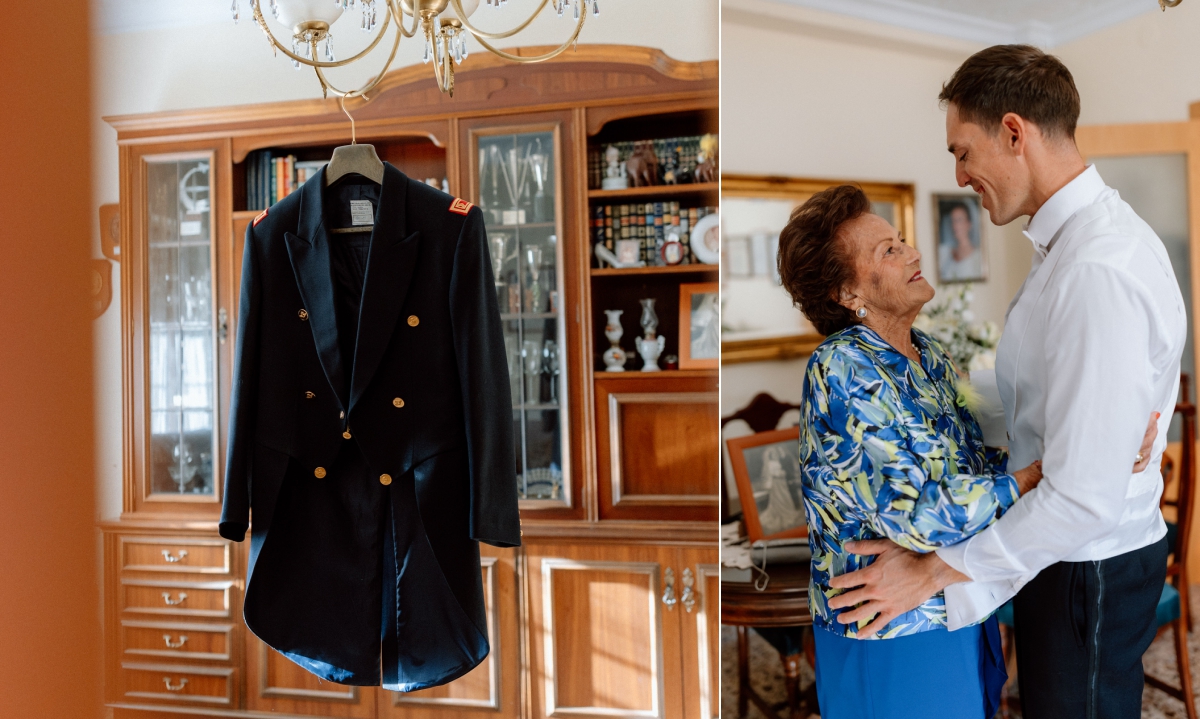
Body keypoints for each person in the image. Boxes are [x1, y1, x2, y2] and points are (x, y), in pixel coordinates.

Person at [825, 45, 1185, 719]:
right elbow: (1032, 409)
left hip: (1083, 566)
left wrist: (933, 572)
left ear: (1014, 133)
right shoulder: (1070, 250)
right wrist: (1095, 435)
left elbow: (1081, 498)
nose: (959, 174)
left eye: (962, 151)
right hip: (1058, 558)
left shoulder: (1095, 268)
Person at [779, 183, 1046, 718]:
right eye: (889, 250)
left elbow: (972, 465)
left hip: (951, 604)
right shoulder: (842, 367)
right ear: (846, 293)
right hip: (888, 632)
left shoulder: (929, 355)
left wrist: (1069, 449)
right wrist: (1033, 477)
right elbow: (921, 515)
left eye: (901, 240)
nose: (914, 253)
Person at [938, 202, 983, 281]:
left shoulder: (979, 257)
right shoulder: (946, 253)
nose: (955, 226)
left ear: (969, 224)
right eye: (953, 221)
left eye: (959, 220)